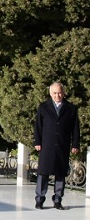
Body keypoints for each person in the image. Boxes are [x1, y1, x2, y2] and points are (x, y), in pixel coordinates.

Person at [33, 82, 80, 210]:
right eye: (54, 93)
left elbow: (75, 128)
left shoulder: (71, 109)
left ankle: (58, 199)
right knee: (43, 172)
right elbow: (38, 126)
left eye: (59, 93)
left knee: (60, 173)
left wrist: (75, 143)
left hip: (62, 144)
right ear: (50, 93)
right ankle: (39, 199)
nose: (57, 95)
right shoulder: (43, 107)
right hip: (46, 144)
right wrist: (37, 141)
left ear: (63, 93)